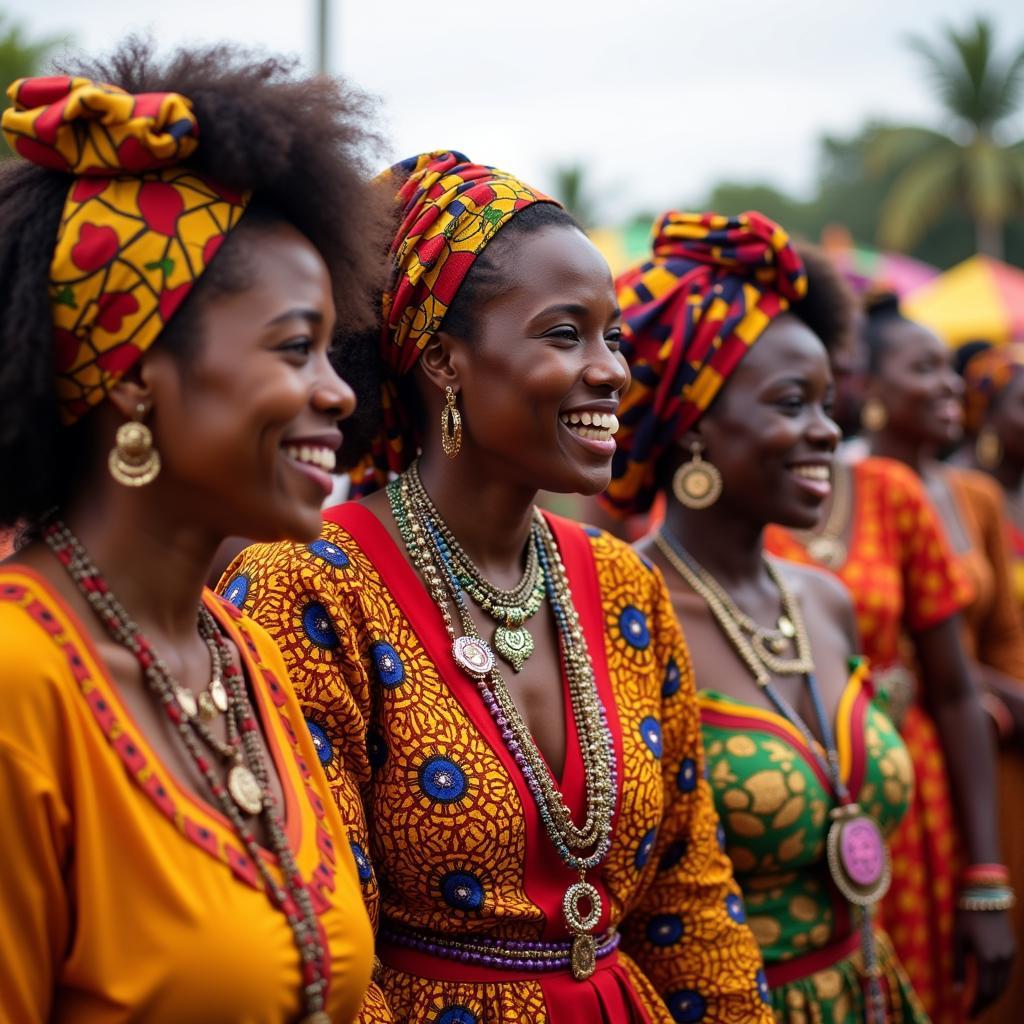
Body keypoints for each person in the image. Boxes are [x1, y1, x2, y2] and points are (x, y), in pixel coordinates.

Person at [222, 150, 773, 1023]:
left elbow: (689, 896)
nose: (610, 371)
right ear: (443, 360)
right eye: (565, 335)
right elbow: (322, 939)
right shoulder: (309, 586)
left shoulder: (625, 584)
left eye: (614, 337)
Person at [0, 42, 387, 1022]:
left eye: (333, 350)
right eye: (295, 346)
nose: (339, 392)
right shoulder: (19, 683)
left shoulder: (239, 654)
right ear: (132, 373)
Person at [603, 210, 934, 1021]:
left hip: (871, 989)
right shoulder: (623, 613)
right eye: (792, 403)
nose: (826, 430)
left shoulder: (822, 598)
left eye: (827, 401)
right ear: (693, 429)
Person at [853, 301, 1022, 1021]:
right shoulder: (845, 498)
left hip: (993, 745)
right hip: (906, 752)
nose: (949, 386)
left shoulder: (974, 496)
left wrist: (1007, 696)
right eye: (924, 369)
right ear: (868, 388)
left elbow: (1000, 636)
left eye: (946, 369)